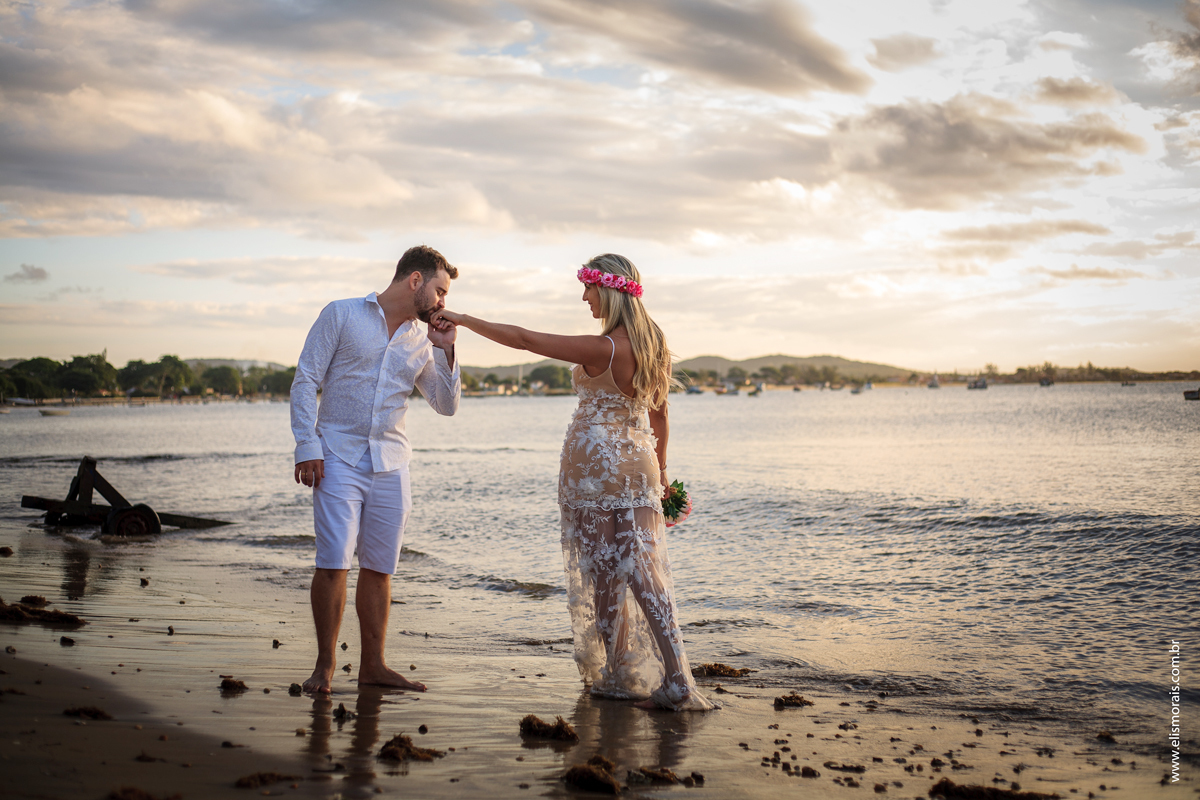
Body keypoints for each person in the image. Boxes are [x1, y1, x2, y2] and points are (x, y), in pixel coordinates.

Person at [433, 254, 713, 711]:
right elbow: (660, 414)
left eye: (588, 288)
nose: (584, 297)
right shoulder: (654, 344)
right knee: (645, 571)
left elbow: (524, 340)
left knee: (604, 569)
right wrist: (661, 473)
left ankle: (623, 673)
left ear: (610, 291)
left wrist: (462, 318)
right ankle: (675, 677)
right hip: (639, 465)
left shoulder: (603, 348)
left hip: (596, 474)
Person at [291, 245, 461, 695]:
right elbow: (306, 379)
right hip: (337, 456)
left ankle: (374, 667)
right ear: (415, 281)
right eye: (440, 291)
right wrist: (307, 445)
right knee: (333, 564)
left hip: (392, 462)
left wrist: (446, 351)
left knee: (380, 569)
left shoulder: (423, 339)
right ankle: (324, 667)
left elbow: (445, 406)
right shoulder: (342, 314)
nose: (443, 302)